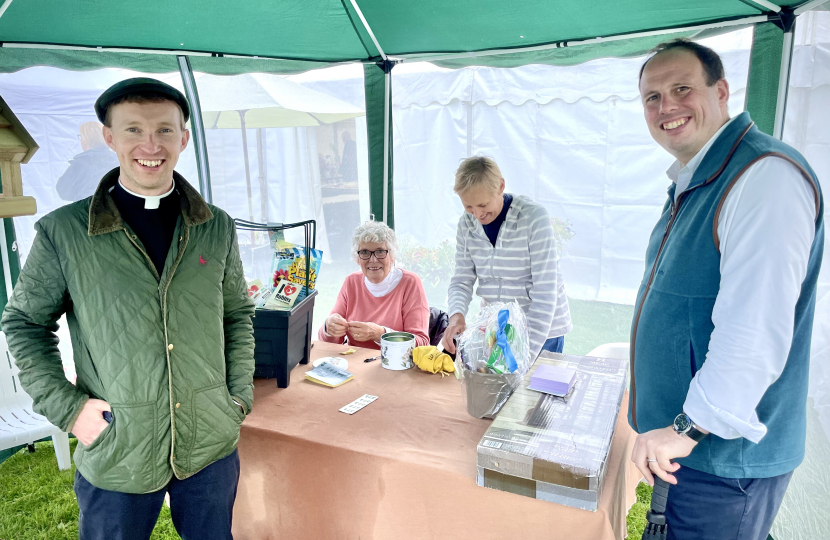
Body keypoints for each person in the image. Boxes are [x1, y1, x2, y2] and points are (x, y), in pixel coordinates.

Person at [1, 78, 255, 540]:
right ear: (110, 138)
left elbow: (236, 314)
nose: (150, 145)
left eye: (164, 130)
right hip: (119, 443)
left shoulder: (215, 226)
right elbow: (23, 324)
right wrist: (68, 408)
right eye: (134, 130)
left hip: (210, 441)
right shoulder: (65, 232)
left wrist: (235, 397)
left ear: (184, 138)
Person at [630, 39, 824, 540]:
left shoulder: (764, 176)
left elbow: (754, 335)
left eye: (681, 89)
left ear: (721, 92)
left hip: (720, 459)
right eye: (652, 97)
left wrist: (686, 429)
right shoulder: (700, 177)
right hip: (691, 452)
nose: (666, 107)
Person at [441, 156, 572, 359]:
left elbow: (546, 291)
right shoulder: (466, 224)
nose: (477, 215)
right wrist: (456, 316)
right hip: (497, 328)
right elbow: (462, 280)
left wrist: (525, 354)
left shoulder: (533, 218)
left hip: (542, 331)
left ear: (501, 186)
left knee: (529, 390)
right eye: (468, 207)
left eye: (483, 205)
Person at [319, 220, 429, 349]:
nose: (373, 260)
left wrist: (380, 334)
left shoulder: (410, 283)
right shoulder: (351, 282)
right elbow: (328, 343)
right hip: (355, 362)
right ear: (358, 258)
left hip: (393, 365)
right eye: (364, 252)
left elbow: (421, 343)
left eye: (380, 251)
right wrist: (328, 327)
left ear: (392, 255)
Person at [55, 121, 120, 202]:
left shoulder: (82, 162)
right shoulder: (119, 159)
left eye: (81, 136)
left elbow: (63, 191)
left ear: (87, 139)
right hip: (117, 211)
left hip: (88, 210)